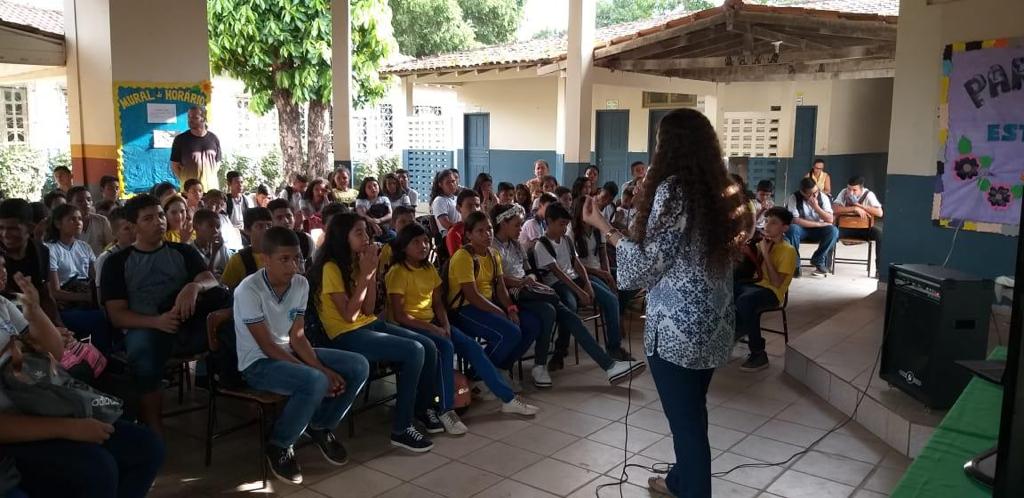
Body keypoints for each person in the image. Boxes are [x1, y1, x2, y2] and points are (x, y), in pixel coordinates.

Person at [580, 108, 746, 498]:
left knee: (688, 427)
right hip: (715, 323)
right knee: (692, 413)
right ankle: (677, 482)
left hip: (678, 330)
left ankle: (692, 488)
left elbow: (645, 267)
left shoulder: (674, 190)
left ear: (668, 145)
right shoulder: (722, 188)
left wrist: (606, 228)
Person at [0, 269, 164, 498]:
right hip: (18, 428)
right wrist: (71, 428)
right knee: (98, 469)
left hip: (45, 404)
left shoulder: (2, 305)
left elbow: (54, 352)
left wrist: (35, 311)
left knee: (147, 448)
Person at [233, 226, 369, 484]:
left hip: (288, 350)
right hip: (257, 362)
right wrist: (319, 371)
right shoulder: (248, 290)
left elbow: (297, 336)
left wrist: (319, 366)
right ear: (265, 259)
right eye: (284, 259)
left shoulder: (300, 283)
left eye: (296, 257)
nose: (293, 265)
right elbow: (267, 346)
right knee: (315, 380)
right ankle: (280, 444)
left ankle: (319, 425)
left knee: (358, 365)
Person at [388, 223, 537, 433]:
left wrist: (445, 324)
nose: (423, 246)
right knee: (446, 348)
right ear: (404, 247)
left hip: (434, 322)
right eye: (416, 242)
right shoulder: (397, 272)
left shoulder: (428, 268)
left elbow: (438, 302)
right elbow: (400, 315)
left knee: (472, 348)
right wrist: (433, 329)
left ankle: (508, 399)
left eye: (424, 241)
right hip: (410, 327)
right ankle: (445, 410)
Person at [312, 213, 439, 452]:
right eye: (358, 233)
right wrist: (366, 274)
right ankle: (401, 428)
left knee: (428, 346)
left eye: (366, 232)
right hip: (344, 335)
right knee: (414, 350)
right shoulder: (331, 268)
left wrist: (369, 273)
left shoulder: (356, 261)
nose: (366, 238)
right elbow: (349, 316)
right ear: (342, 237)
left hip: (367, 325)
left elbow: (369, 309)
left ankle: (423, 408)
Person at [101, 194, 222, 436]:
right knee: (143, 351)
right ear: (133, 227)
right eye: (148, 219)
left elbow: (210, 279)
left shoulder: (183, 252)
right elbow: (117, 315)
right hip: (146, 325)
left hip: (185, 321)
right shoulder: (116, 263)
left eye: (159, 215)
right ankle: (153, 426)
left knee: (227, 316)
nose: (159, 222)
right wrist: (157, 322)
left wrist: (193, 287)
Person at [491, 203, 645, 386]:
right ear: (503, 224)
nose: (520, 229)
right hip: (510, 294)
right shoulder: (493, 247)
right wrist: (522, 282)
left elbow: (529, 270)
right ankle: (603, 365)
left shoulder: (516, 245)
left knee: (554, 310)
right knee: (557, 309)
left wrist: (530, 279)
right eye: (517, 225)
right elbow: (497, 280)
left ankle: (603, 365)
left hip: (528, 290)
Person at [535, 204, 634, 362]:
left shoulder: (566, 239)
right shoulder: (541, 244)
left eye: (566, 225)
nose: (564, 228)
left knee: (611, 300)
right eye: (561, 224)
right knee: (570, 305)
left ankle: (614, 347)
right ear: (549, 221)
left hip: (576, 278)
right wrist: (580, 291)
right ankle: (561, 349)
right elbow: (558, 273)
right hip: (558, 284)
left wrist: (587, 283)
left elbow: (576, 264)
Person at [448, 211, 537, 377]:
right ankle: (477, 376)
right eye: (480, 231)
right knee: (510, 332)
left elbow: (500, 287)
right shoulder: (463, 256)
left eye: (489, 229)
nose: (487, 234)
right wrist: (499, 312)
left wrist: (510, 308)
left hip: (488, 304)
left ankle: (500, 369)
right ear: (469, 235)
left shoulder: (493, 253)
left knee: (531, 324)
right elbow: (472, 295)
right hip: (464, 309)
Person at [735, 207, 797, 372]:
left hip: (773, 293)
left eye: (774, 222)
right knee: (728, 290)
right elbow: (758, 273)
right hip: (756, 286)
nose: (768, 226)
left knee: (745, 301)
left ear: (784, 228)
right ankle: (732, 333)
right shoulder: (765, 243)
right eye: (767, 221)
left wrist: (766, 254)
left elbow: (776, 283)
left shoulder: (788, 251)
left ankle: (758, 353)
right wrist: (750, 253)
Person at [0, 199, 64, 328]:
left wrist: (58, 326)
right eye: (1, 228)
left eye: (13, 228)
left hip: (35, 318)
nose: (5, 234)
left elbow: (45, 293)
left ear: (30, 228)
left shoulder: (41, 252)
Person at [42, 204, 95, 310]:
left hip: (86, 293)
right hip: (67, 303)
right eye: (72, 219)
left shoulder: (84, 246)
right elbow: (55, 291)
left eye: (80, 219)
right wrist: (87, 297)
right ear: (58, 224)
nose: (78, 223)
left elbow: (95, 276)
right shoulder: (50, 249)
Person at [784, 177, 838, 276]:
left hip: (819, 231)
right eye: (811, 194)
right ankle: (795, 264)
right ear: (803, 193)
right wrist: (819, 224)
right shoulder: (794, 198)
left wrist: (816, 207)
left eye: (816, 192)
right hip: (802, 230)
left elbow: (830, 219)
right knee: (792, 229)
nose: (815, 195)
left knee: (833, 231)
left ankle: (818, 259)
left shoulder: (823, 197)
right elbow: (795, 220)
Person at [832, 175, 884, 271]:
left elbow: (880, 213)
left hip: (864, 230)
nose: (851, 192)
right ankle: (825, 265)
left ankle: (879, 269)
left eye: (854, 190)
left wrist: (860, 206)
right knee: (830, 232)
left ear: (861, 189)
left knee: (879, 235)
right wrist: (854, 208)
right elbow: (834, 209)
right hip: (845, 229)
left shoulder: (868, 194)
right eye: (849, 189)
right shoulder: (843, 193)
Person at [169, 105, 221, 192]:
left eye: (194, 117)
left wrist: (209, 176)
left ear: (203, 119)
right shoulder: (180, 139)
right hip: (190, 193)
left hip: (211, 191)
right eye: (189, 117)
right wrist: (186, 182)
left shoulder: (214, 138)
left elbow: (218, 162)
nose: (190, 120)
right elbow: (174, 166)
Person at [221, 207, 275, 289]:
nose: (266, 230)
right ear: (247, 230)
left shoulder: (280, 255)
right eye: (260, 226)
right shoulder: (239, 259)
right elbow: (227, 288)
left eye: (269, 225)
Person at [95, 207, 134, 302]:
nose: (134, 232)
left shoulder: (144, 252)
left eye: (135, 226)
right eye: (127, 229)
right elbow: (101, 297)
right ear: (114, 232)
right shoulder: (106, 258)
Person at [268, 198, 314, 272]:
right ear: (271, 222)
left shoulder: (306, 240)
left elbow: (310, 270)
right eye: (279, 218)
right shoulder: (267, 244)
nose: (286, 221)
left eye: (288, 216)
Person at [67, 186, 113, 256]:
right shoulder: (66, 224)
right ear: (70, 204)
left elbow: (111, 245)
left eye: (89, 200)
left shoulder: (101, 220)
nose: (86, 203)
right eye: (80, 201)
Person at [190, 208, 230, 279]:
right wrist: (214, 254)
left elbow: (228, 271)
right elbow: (205, 280)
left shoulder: (220, 246)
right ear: (195, 227)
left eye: (218, 227)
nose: (215, 231)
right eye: (211, 226)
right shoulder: (190, 250)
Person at [355, 176, 394, 241]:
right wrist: (374, 224)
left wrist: (380, 220)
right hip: (368, 230)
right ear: (364, 189)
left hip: (385, 227)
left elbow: (390, 214)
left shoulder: (384, 199)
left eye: (375, 185)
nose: (373, 188)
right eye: (369, 187)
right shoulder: (361, 201)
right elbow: (362, 215)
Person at [444, 189, 481, 256]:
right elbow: (459, 260)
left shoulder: (485, 228)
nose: (475, 209)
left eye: (477, 205)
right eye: (469, 206)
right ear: (458, 208)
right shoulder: (455, 233)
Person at [429, 170, 460, 238]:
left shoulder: (457, 198)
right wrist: (462, 230)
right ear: (440, 185)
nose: (452, 184)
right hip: (449, 236)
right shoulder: (440, 200)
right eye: (447, 183)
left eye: (453, 181)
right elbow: (445, 223)